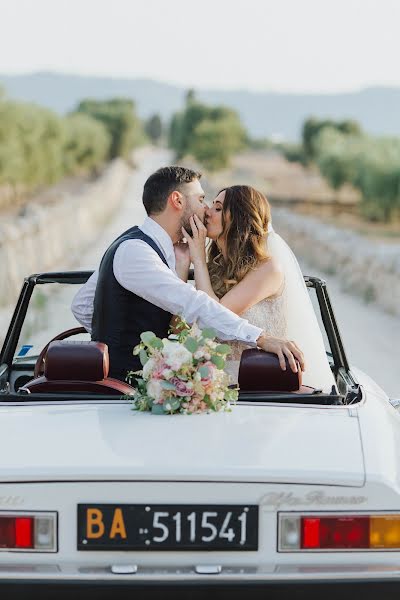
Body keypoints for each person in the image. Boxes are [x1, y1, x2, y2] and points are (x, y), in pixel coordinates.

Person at [71, 167, 304, 382]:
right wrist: (261, 338)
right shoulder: (136, 251)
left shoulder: (134, 241)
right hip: (127, 385)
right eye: (202, 200)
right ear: (177, 200)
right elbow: (194, 305)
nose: (206, 209)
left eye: (214, 205)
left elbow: (81, 306)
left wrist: (118, 331)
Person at [180, 185, 335, 391]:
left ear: (240, 219)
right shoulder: (215, 269)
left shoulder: (268, 269)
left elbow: (213, 316)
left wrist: (198, 257)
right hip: (211, 384)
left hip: (257, 387)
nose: (207, 211)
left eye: (218, 208)